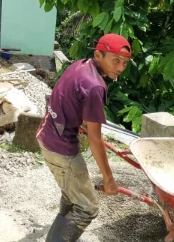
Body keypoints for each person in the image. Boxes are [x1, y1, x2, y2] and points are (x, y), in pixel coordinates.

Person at [36, 33, 132, 241]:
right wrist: (109, 179)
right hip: (61, 149)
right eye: (116, 60)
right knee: (87, 208)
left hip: (47, 134)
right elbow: (96, 139)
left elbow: (66, 97)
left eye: (124, 62)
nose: (121, 68)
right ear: (98, 55)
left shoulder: (80, 65)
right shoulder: (95, 86)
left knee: (72, 198)